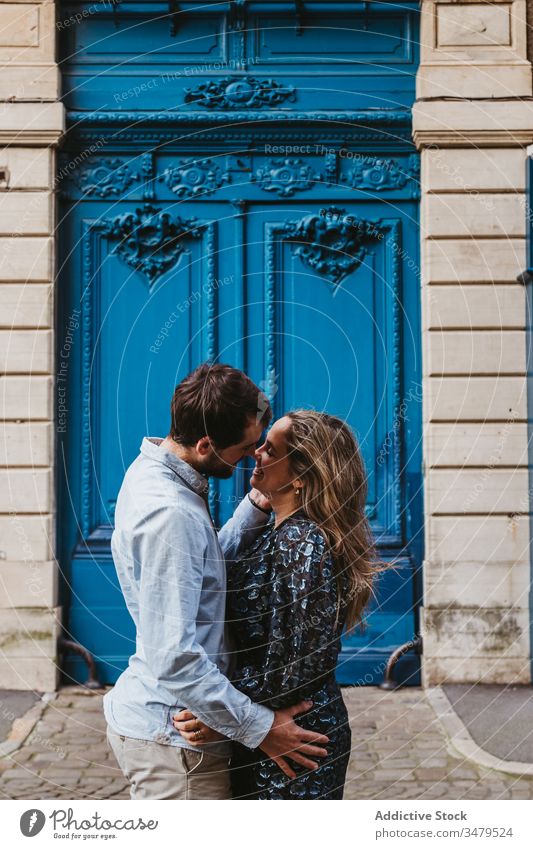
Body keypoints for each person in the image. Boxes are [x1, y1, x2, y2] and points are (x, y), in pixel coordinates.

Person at [104, 365, 330, 800]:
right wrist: (262, 729)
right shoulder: (170, 513)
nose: (252, 456)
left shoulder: (155, 470)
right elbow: (176, 658)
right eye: (244, 447)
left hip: (174, 729)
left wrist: (254, 507)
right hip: (177, 743)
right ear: (206, 444)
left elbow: (200, 572)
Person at [173, 410, 383, 799]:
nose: (256, 453)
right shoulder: (278, 532)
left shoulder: (303, 541)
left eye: (270, 450)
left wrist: (222, 716)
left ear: (302, 475)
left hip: (297, 733)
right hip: (272, 727)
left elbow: (295, 664)